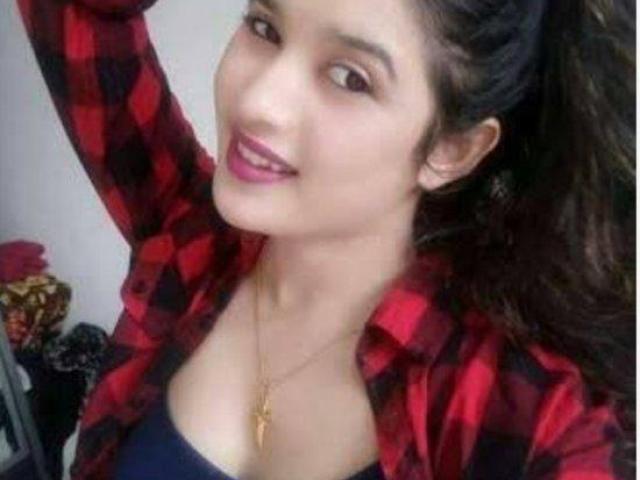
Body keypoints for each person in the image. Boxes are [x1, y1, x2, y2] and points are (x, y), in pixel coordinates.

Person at [15, 0, 635, 478]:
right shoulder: (191, 239)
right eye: (264, 27)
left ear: (452, 149)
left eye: (349, 77)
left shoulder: (529, 418)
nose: (258, 102)